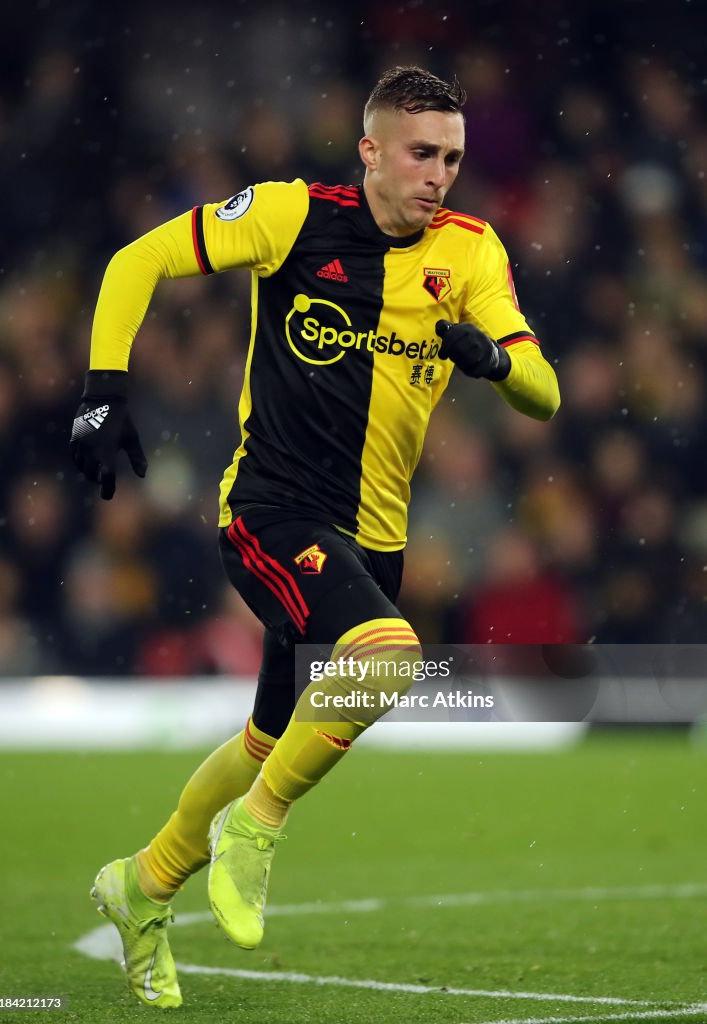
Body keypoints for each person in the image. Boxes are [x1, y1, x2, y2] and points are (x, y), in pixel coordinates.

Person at [70, 65, 560, 1008]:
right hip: (270, 509)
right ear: (371, 149)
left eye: (452, 158)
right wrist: (102, 387)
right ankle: (253, 834)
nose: (438, 175)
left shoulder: (469, 253)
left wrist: (493, 359)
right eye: (420, 153)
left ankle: (142, 884)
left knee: (266, 735)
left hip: (372, 538)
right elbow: (136, 260)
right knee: (388, 656)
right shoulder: (291, 216)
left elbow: (543, 396)